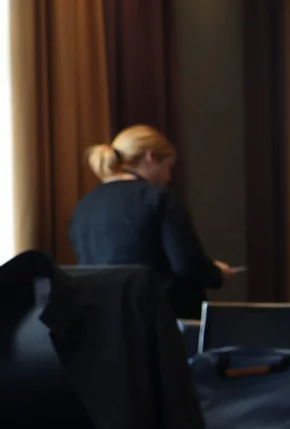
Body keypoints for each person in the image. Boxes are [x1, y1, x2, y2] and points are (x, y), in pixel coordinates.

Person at [69, 125, 229, 319]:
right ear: (150, 156)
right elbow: (187, 265)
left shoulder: (85, 205)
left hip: (104, 319)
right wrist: (216, 274)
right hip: (160, 319)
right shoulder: (159, 198)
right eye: (168, 167)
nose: (169, 177)